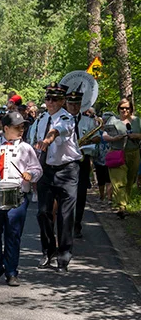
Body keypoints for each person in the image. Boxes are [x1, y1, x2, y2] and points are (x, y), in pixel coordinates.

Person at [0, 113, 42, 286]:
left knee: (13, 234)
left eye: (23, 127)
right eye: (17, 127)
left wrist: (31, 174)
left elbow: (37, 168)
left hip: (17, 196)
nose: (21, 130)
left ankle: (12, 271)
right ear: (6, 128)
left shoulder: (27, 149)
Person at [33, 83, 81, 272]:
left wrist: (47, 140)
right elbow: (34, 143)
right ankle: (48, 251)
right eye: (48, 98)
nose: (51, 102)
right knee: (43, 212)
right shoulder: (41, 119)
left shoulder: (66, 118)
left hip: (67, 170)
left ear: (63, 101)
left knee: (65, 215)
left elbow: (57, 131)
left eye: (55, 99)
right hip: (46, 169)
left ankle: (64, 256)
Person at [65, 92, 98, 238]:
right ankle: (65, 222)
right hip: (66, 160)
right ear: (66, 104)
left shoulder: (88, 121)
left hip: (83, 160)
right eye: (71, 104)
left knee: (81, 193)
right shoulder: (62, 120)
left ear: (80, 105)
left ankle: (77, 223)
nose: (73, 107)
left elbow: (97, 138)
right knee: (66, 193)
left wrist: (90, 141)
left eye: (76, 104)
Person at [102, 98, 141, 219]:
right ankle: (121, 206)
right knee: (119, 181)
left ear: (131, 109)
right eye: (122, 108)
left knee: (130, 180)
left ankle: (125, 202)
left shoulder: (137, 121)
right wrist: (114, 139)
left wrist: (136, 135)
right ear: (118, 109)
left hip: (133, 153)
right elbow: (105, 135)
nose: (124, 110)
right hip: (117, 153)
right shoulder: (113, 120)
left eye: (127, 108)